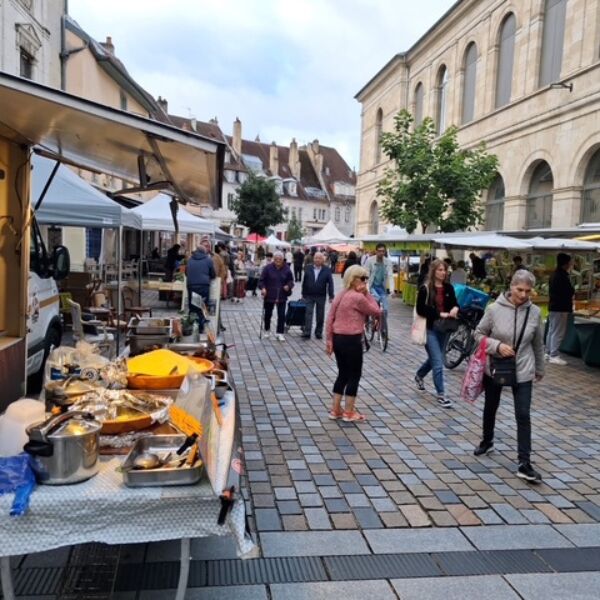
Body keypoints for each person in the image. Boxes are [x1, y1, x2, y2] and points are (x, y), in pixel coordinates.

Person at [473, 270, 545, 483]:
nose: (523, 295)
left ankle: (524, 462)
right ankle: (487, 440)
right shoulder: (494, 309)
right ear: (511, 286)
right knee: (491, 406)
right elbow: (478, 334)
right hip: (497, 365)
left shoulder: (534, 312)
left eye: (528, 291)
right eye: (519, 289)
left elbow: (537, 343)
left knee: (523, 414)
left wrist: (540, 368)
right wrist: (497, 346)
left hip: (523, 367)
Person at [325, 265, 381, 422]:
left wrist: (329, 339)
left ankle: (335, 409)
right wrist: (367, 294)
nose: (365, 281)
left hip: (338, 338)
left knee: (342, 373)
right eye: (363, 278)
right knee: (354, 375)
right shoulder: (358, 297)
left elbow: (330, 318)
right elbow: (376, 311)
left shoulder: (341, 294)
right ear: (354, 279)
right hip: (352, 339)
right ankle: (349, 412)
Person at [414, 259, 459, 409]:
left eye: (444, 270)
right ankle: (441, 394)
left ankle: (419, 375)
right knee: (438, 362)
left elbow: (454, 303)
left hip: (444, 329)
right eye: (440, 270)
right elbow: (421, 309)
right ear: (433, 271)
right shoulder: (425, 288)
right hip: (430, 329)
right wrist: (440, 314)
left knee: (435, 358)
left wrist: (455, 308)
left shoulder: (448, 288)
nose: (443, 272)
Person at [259, 251, 294, 342]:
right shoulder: (267, 268)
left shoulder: (287, 269)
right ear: (273, 259)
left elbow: (291, 281)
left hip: (282, 295)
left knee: (281, 315)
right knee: (268, 314)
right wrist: (263, 288)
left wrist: (288, 286)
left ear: (283, 260)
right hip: (269, 294)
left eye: (280, 259)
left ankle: (280, 333)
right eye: (276, 259)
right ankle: (267, 330)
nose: (278, 260)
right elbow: (261, 280)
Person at [546, 252, 574, 365]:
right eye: (569, 263)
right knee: (558, 332)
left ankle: (547, 352)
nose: (570, 265)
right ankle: (554, 355)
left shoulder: (553, 275)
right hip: (561, 307)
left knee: (552, 330)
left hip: (553, 306)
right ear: (565, 263)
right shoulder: (562, 276)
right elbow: (569, 291)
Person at [301, 251, 334, 339]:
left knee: (320, 315)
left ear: (323, 260)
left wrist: (331, 296)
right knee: (308, 314)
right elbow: (305, 281)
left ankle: (318, 332)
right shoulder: (308, 268)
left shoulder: (327, 270)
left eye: (319, 258)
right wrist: (303, 294)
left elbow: (330, 283)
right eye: (316, 258)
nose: (317, 260)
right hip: (309, 295)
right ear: (313, 259)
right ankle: (307, 332)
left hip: (321, 296)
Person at [185, 245, 215, 330]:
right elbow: (213, 274)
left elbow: (186, 273)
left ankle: (192, 325)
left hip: (192, 285)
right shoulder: (208, 260)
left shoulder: (190, 259)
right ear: (204, 252)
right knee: (203, 305)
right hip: (203, 285)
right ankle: (201, 326)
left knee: (193, 306)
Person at [365, 243, 394, 313]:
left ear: (385, 252)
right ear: (376, 251)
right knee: (376, 299)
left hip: (381, 287)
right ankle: (373, 314)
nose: (381, 253)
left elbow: (390, 276)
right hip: (371, 286)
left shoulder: (388, 262)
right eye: (379, 251)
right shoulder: (370, 261)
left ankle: (382, 319)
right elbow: (366, 276)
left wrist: (392, 290)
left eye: (383, 251)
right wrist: (367, 290)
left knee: (385, 309)